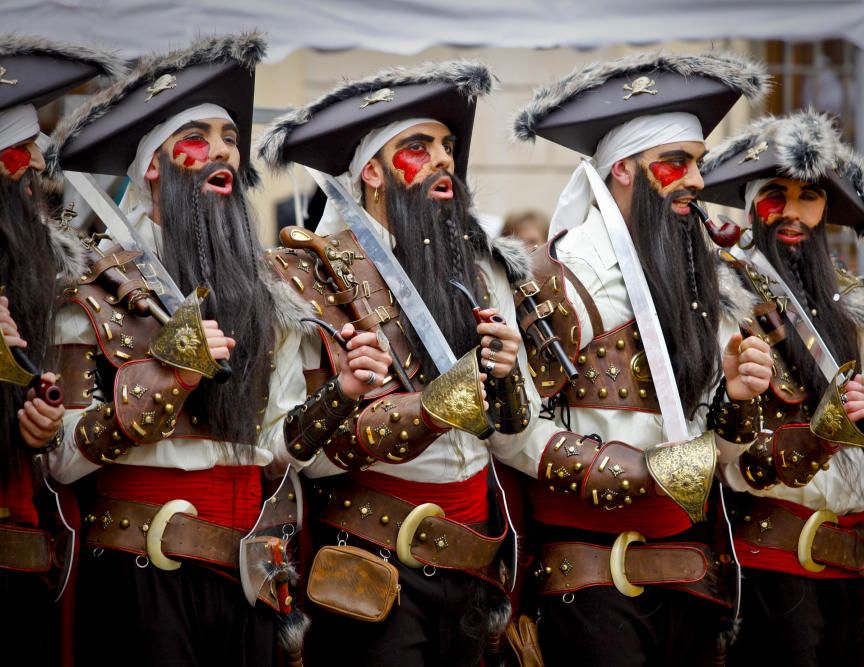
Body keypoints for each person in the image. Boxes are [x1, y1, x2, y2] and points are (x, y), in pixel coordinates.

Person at [44, 33, 389, 666]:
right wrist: (166, 376)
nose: (224, 151)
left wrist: (341, 395)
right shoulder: (90, 283)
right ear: (153, 165)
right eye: (200, 137)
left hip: (255, 571)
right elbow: (61, 460)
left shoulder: (272, 290)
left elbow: (280, 450)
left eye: (231, 139)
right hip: (143, 568)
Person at [497, 52, 774, 666]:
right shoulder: (558, 277)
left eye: (698, 164)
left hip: (692, 574)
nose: (697, 181)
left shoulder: (708, 278)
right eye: (674, 164)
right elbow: (509, 428)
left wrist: (738, 399)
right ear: (622, 169)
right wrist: (631, 473)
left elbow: (715, 453)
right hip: (590, 581)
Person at [257, 60, 532, 666]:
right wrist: (348, 394)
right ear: (373, 173)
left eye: (446, 146)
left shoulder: (483, 273)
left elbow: (511, 437)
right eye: (418, 146)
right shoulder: (303, 278)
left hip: (473, 562)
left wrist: (508, 380)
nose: (442, 160)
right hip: (368, 564)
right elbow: (283, 449)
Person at [698, 110, 864, 667]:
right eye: (777, 194)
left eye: (810, 196)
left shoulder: (859, 306)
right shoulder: (721, 291)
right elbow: (721, 449)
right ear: (752, 203)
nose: (794, 213)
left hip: (855, 565)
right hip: (770, 563)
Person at [0, 34, 120, 666]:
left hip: (24, 534)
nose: (31, 174)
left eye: (32, 159)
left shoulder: (51, 276)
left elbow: (57, 435)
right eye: (14, 159)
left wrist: (39, 426)